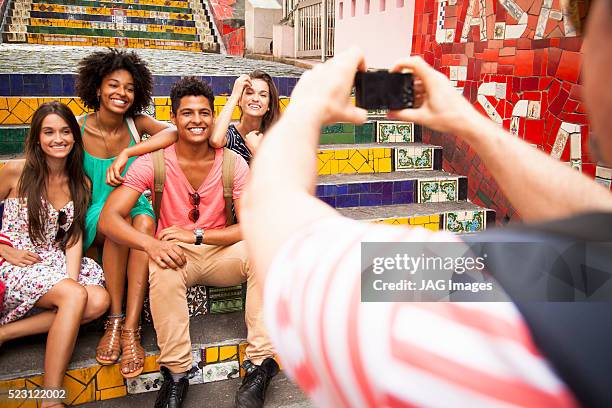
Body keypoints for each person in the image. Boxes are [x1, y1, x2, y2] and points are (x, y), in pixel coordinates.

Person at [241, 1, 612, 406]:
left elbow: (284, 240)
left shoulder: (494, 311)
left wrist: (306, 108)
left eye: (592, 25)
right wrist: (467, 121)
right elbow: (596, 221)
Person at [98, 77, 278, 408]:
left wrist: (196, 234)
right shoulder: (153, 162)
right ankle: (177, 374)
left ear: (213, 117)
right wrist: (151, 244)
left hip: (220, 250)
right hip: (176, 256)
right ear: (174, 117)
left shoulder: (233, 163)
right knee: (160, 266)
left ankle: (260, 365)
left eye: (204, 113)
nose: (196, 120)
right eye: (187, 113)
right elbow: (109, 217)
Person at [0, 102, 108, 408]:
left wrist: (71, 282)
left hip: (52, 260)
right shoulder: (15, 171)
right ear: (37, 138)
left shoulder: (80, 181)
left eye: (64, 131)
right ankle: (50, 398)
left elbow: (73, 237)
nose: (57, 138)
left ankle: (5, 333)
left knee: (99, 299)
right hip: (13, 261)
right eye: (48, 132)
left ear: (75, 137)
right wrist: (3, 248)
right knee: (75, 297)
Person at [75, 48, 173, 378]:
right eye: (114, 85)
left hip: (134, 206)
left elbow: (174, 132)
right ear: (98, 87)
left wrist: (130, 150)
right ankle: (116, 319)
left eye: (129, 88)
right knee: (120, 226)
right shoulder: (77, 128)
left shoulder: (136, 124)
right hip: (95, 213)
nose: (122, 93)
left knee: (141, 219)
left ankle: (128, 327)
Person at [104, 70, 281, 186]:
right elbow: (215, 140)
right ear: (240, 101)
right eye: (249, 93)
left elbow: (285, 184)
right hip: (232, 213)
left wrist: (259, 152)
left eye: (263, 95)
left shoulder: (278, 137)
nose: (256, 98)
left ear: (269, 103)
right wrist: (234, 94)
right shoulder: (230, 134)